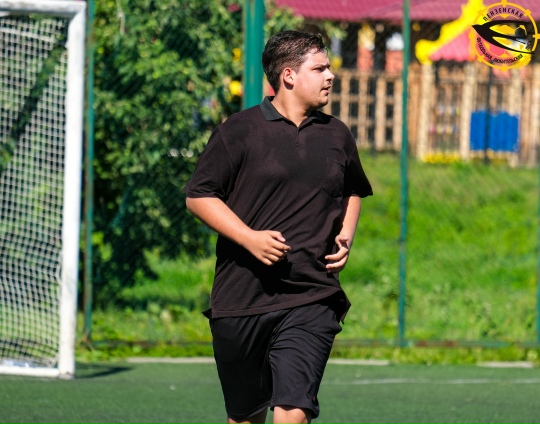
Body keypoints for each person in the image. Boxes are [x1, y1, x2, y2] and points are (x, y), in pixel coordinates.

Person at [185, 30, 373, 424]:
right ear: (289, 75)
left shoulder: (337, 134)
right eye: (319, 68)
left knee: (294, 413)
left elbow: (353, 189)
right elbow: (198, 196)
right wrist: (249, 238)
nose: (330, 76)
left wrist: (347, 233)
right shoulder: (239, 131)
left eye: (329, 68)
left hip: (311, 294)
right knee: (245, 418)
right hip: (242, 298)